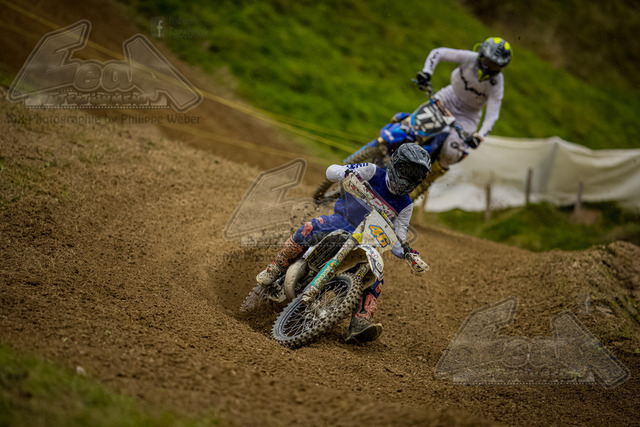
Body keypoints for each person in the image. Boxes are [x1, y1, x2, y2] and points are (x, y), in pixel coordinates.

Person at [257, 144, 431, 344]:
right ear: (397, 164)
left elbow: (398, 239)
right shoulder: (373, 172)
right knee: (310, 228)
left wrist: (410, 254)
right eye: (408, 171)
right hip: (342, 222)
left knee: (375, 275)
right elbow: (331, 171)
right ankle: (276, 268)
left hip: (367, 242)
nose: (409, 178)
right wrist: (346, 173)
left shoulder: (406, 204)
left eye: (415, 175)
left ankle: (360, 323)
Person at [415, 37, 512, 171]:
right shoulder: (469, 58)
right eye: (487, 62)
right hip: (448, 98)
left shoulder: (497, 83)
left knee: (451, 153)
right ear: (481, 54)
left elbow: (492, 114)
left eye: (495, 66)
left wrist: (480, 136)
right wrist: (427, 73)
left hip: (468, 116)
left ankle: (429, 178)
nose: (489, 68)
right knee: (415, 125)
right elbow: (438, 52)